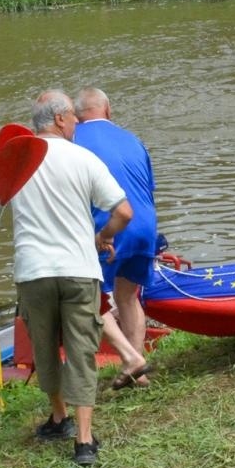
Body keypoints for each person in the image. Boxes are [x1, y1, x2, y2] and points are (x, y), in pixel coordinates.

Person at [0, 91, 132, 467]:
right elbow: (123, 212)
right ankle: (84, 442)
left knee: (44, 348)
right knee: (82, 350)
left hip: (34, 272)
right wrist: (103, 237)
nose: (75, 125)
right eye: (72, 118)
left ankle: (59, 418)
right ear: (58, 120)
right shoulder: (85, 158)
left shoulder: (14, 162)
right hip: (79, 269)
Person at [73, 86, 157, 390]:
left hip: (108, 227)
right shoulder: (133, 140)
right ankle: (140, 372)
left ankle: (130, 358)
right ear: (108, 111)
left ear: (76, 116)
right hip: (145, 226)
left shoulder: (73, 140)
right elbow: (147, 188)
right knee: (128, 296)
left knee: (88, 296)